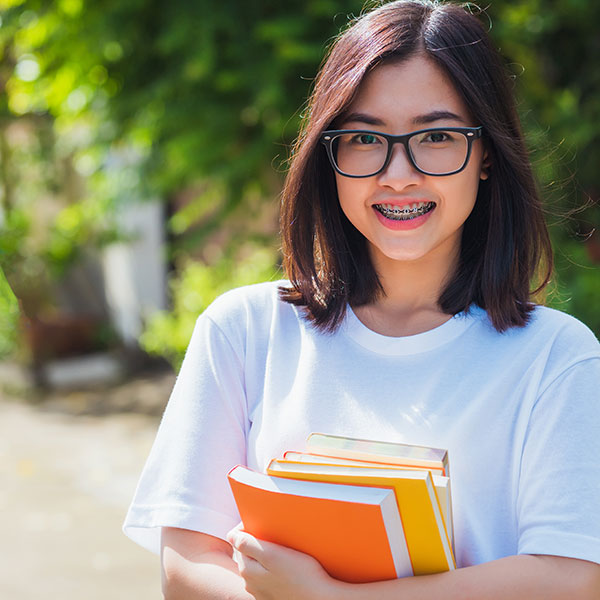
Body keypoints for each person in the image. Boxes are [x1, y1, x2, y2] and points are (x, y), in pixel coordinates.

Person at [123, 1, 600, 598]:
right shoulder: (244, 331)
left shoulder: (558, 359)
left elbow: (571, 579)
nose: (398, 175)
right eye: (365, 139)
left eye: (437, 136)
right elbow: (188, 564)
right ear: (331, 157)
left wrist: (333, 599)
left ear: (486, 157)